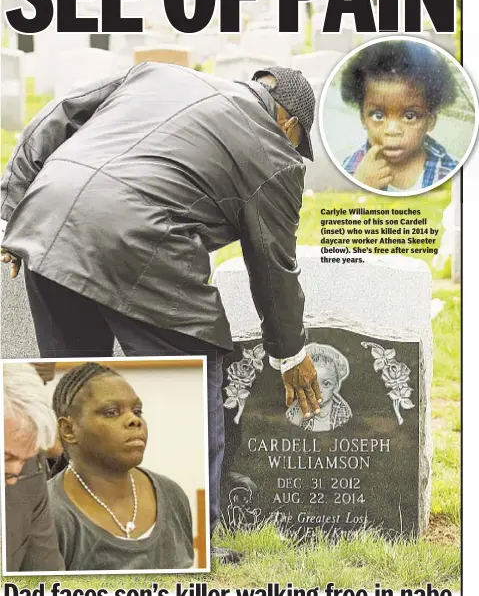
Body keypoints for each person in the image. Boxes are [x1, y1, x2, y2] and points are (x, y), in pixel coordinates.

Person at [0, 62, 322, 562]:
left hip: (48, 222)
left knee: (74, 389)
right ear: (288, 123)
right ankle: (195, 541)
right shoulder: (275, 153)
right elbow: (273, 268)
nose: (295, 153)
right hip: (140, 242)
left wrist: (11, 208)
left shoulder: (158, 75)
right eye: (299, 142)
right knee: (196, 375)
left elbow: (58, 115)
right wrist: (289, 352)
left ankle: (66, 534)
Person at [48, 362, 194, 571]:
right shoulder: (48, 515)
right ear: (69, 429)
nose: (134, 420)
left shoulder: (172, 494)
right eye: (111, 412)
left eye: (137, 411)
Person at [340, 40, 458, 191]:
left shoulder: (452, 172)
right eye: (378, 116)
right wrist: (360, 187)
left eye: (410, 116)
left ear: (430, 120)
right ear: (363, 118)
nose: (392, 130)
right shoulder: (351, 169)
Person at [3, 363, 65, 572]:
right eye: (5, 457)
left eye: (24, 459)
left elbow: (47, 577)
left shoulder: (27, 470)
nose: (13, 477)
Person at [286, 343, 352, 432]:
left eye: (326, 383)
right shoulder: (295, 411)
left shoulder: (343, 415)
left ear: (336, 385)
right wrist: (298, 418)